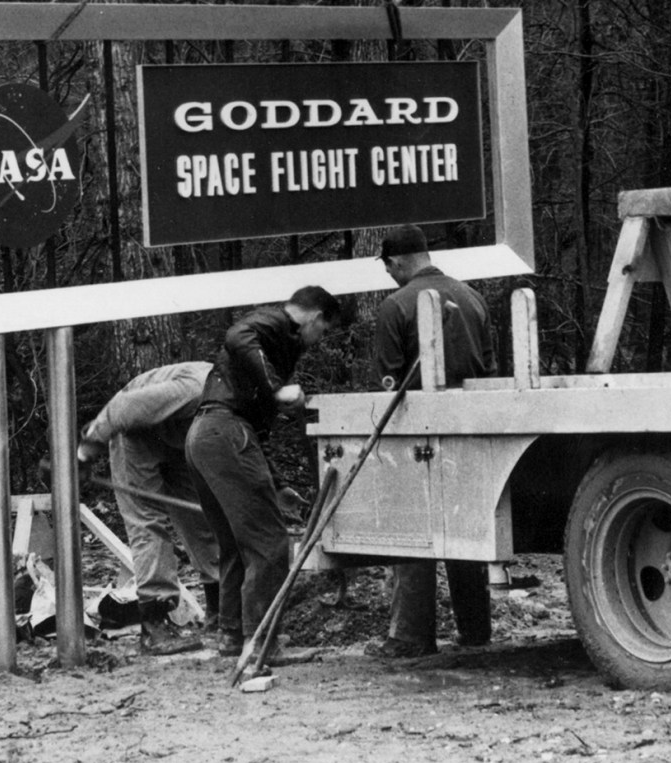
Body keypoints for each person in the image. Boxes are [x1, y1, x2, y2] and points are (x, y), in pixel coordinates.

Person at [185, 285, 344, 661]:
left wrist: (277, 485)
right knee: (270, 543)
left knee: (235, 543)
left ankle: (233, 635)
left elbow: (254, 432)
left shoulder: (275, 337)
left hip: (206, 436)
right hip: (226, 433)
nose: (318, 341)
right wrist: (278, 389)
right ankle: (262, 642)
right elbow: (237, 335)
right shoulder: (275, 323)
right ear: (316, 317)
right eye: (322, 331)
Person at [371, 225, 495, 658]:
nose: (388, 274)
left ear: (397, 262)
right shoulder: (473, 297)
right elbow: (490, 369)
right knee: (463, 531)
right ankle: (476, 630)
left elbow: (389, 385)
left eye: (387, 266)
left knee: (413, 531)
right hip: (471, 430)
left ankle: (411, 636)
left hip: (417, 434)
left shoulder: (395, 306)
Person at [76, 361, 220, 656]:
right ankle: (155, 625)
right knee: (148, 523)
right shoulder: (195, 389)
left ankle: (221, 612)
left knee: (200, 515)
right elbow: (121, 408)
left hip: (180, 437)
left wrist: (278, 487)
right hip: (135, 433)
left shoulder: (240, 402)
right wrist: (84, 454)